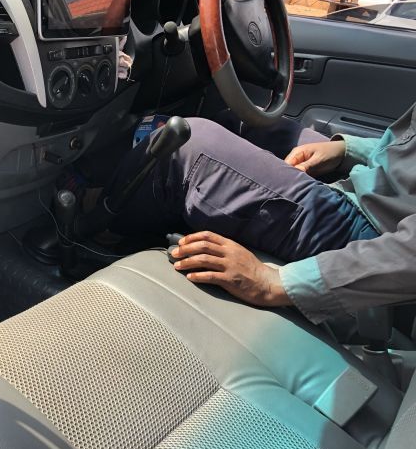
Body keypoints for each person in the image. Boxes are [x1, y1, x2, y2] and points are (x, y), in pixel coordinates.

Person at [114, 104, 416, 324]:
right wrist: (347, 150)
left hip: (379, 236)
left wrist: (275, 282)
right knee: (244, 120)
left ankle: (95, 233)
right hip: (381, 190)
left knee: (186, 148)